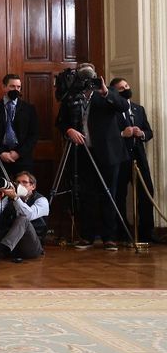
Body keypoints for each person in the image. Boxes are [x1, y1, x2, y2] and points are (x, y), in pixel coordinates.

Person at [55, 63, 129, 251]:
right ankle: (87, 236)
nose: (87, 79)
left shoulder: (107, 92)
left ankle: (109, 237)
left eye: (90, 74)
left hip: (108, 153)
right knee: (86, 194)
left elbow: (122, 106)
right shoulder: (72, 95)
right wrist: (69, 130)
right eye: (83, 74)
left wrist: (105, 92)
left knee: (108, 193)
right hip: (83, 153)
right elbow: (60, 122)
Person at [112, 78, 155, 243]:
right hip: (120, 159)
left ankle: (147, 233)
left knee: (146, 192)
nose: (126, 89)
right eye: (121, 88)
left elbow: (149, 132)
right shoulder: (112, 111)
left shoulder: (138, 109)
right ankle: (122, 234)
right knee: (119, 195)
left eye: (127, 85)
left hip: (139, 159)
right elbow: (106, 136)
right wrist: (123, 134)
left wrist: (141, 133)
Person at [0, 74, 39, 177]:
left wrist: (18, 153)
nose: (16, 89)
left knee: (23, 191)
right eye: (12, 86)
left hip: (23, 158)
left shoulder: (29, 109)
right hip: (0, 158)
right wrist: (1, 152)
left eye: (18, 87)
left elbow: (33, 135)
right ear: (4, 87)